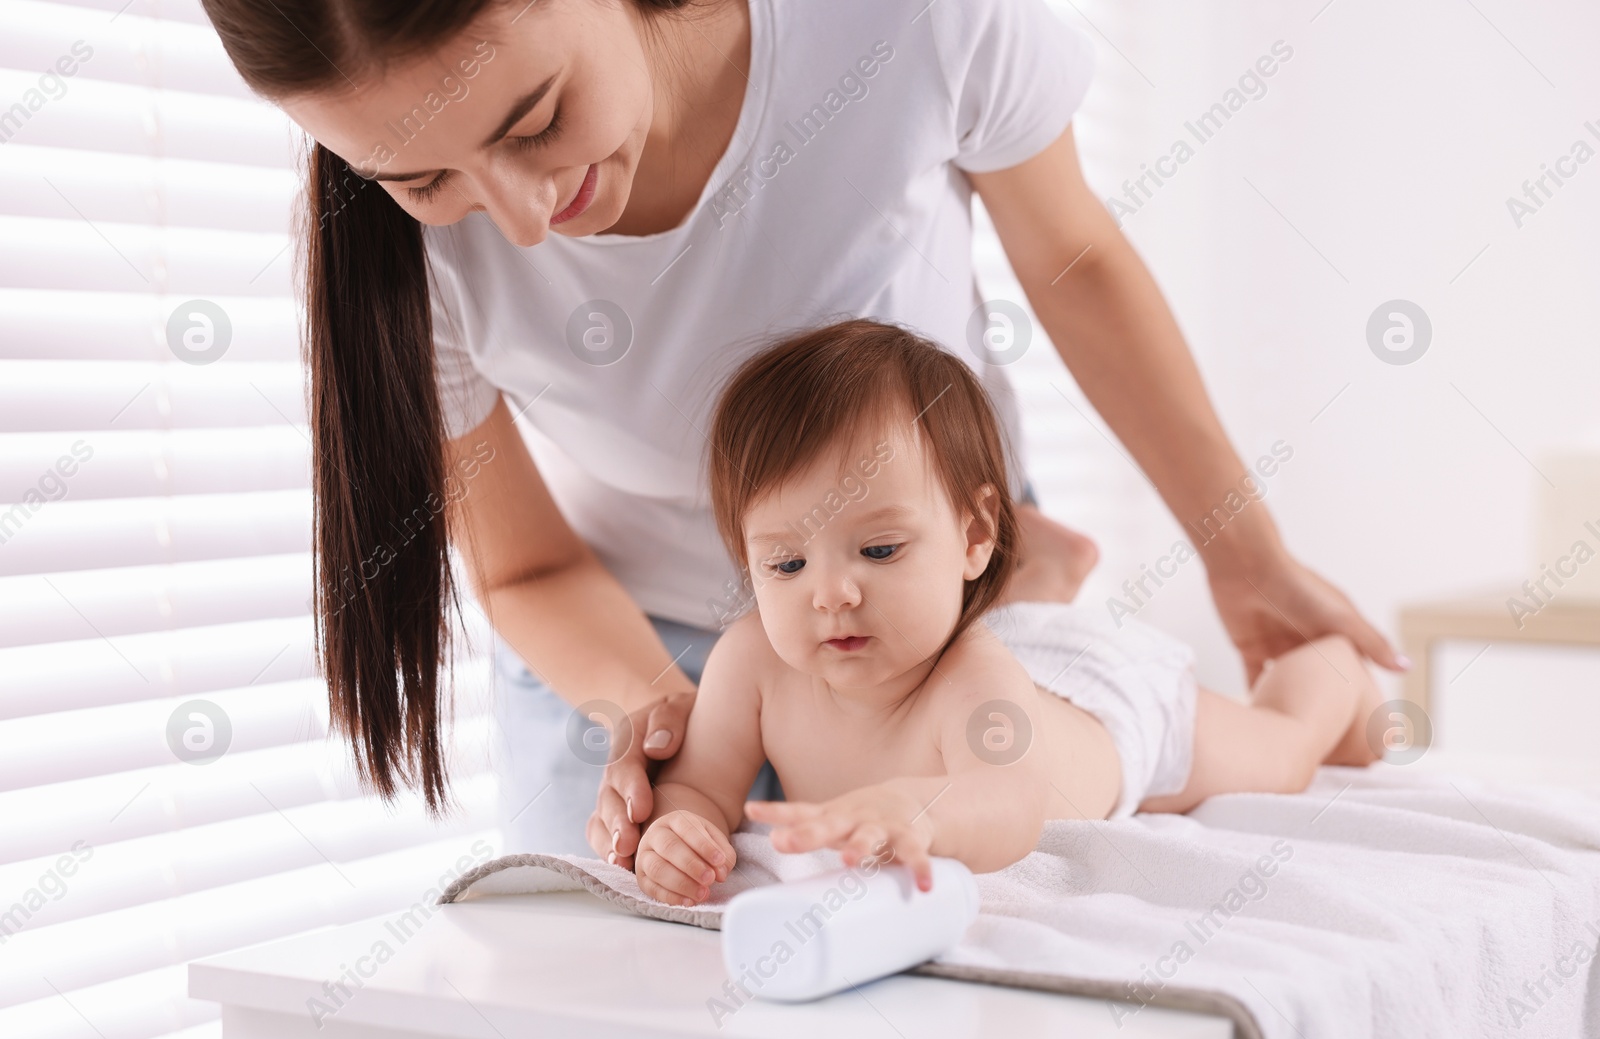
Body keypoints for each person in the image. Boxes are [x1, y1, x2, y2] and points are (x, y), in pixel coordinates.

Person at [199, 0, 1402, 865]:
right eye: (423, 181)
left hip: (915, 580)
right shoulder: (387, 256)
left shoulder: (895, 23)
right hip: (625, 627)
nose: (516, 219)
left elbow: (1074, 261)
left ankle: (1017, 565)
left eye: (535, 118)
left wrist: (1246, 558)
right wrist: (652, 714)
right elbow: (524, 564)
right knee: (622, 960)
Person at [636, 320, 1380, 904]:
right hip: (1020, 638)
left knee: (1283, 750)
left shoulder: (972, 678)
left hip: (1104, 704)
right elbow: (699, 782)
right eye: (786, 563)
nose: (830, 594)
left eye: (882, 549)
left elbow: (1010, 802)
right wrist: (681, 827)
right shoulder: (752, 663)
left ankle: (1332, 670)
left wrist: (921, 812)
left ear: (973, 533)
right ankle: (1042, 573)